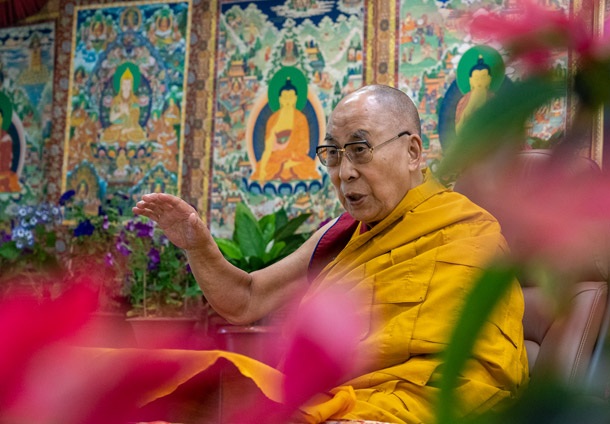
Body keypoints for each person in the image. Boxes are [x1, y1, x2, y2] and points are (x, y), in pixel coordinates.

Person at [133, 84, 528, 423]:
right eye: (334, 155)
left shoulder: (469, 233)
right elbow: (246, 299)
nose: (344, 173)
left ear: (412, 152)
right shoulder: (341, 234)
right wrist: (198, 245)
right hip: (328, 408)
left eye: (359, 149)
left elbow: (481, 377)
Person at [252, 77, 320, 182]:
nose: (288, 100)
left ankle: (286, 167)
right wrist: (262, 169)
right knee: (262, 167)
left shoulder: (300, 118)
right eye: (285, 97)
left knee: (307, 165)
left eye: (291, 97)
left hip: (295, 160)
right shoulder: (273, 120)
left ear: (295, 98)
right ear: (280, 99)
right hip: (276, 159)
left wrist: (292, 157)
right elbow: (268, 148)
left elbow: (304, 146)